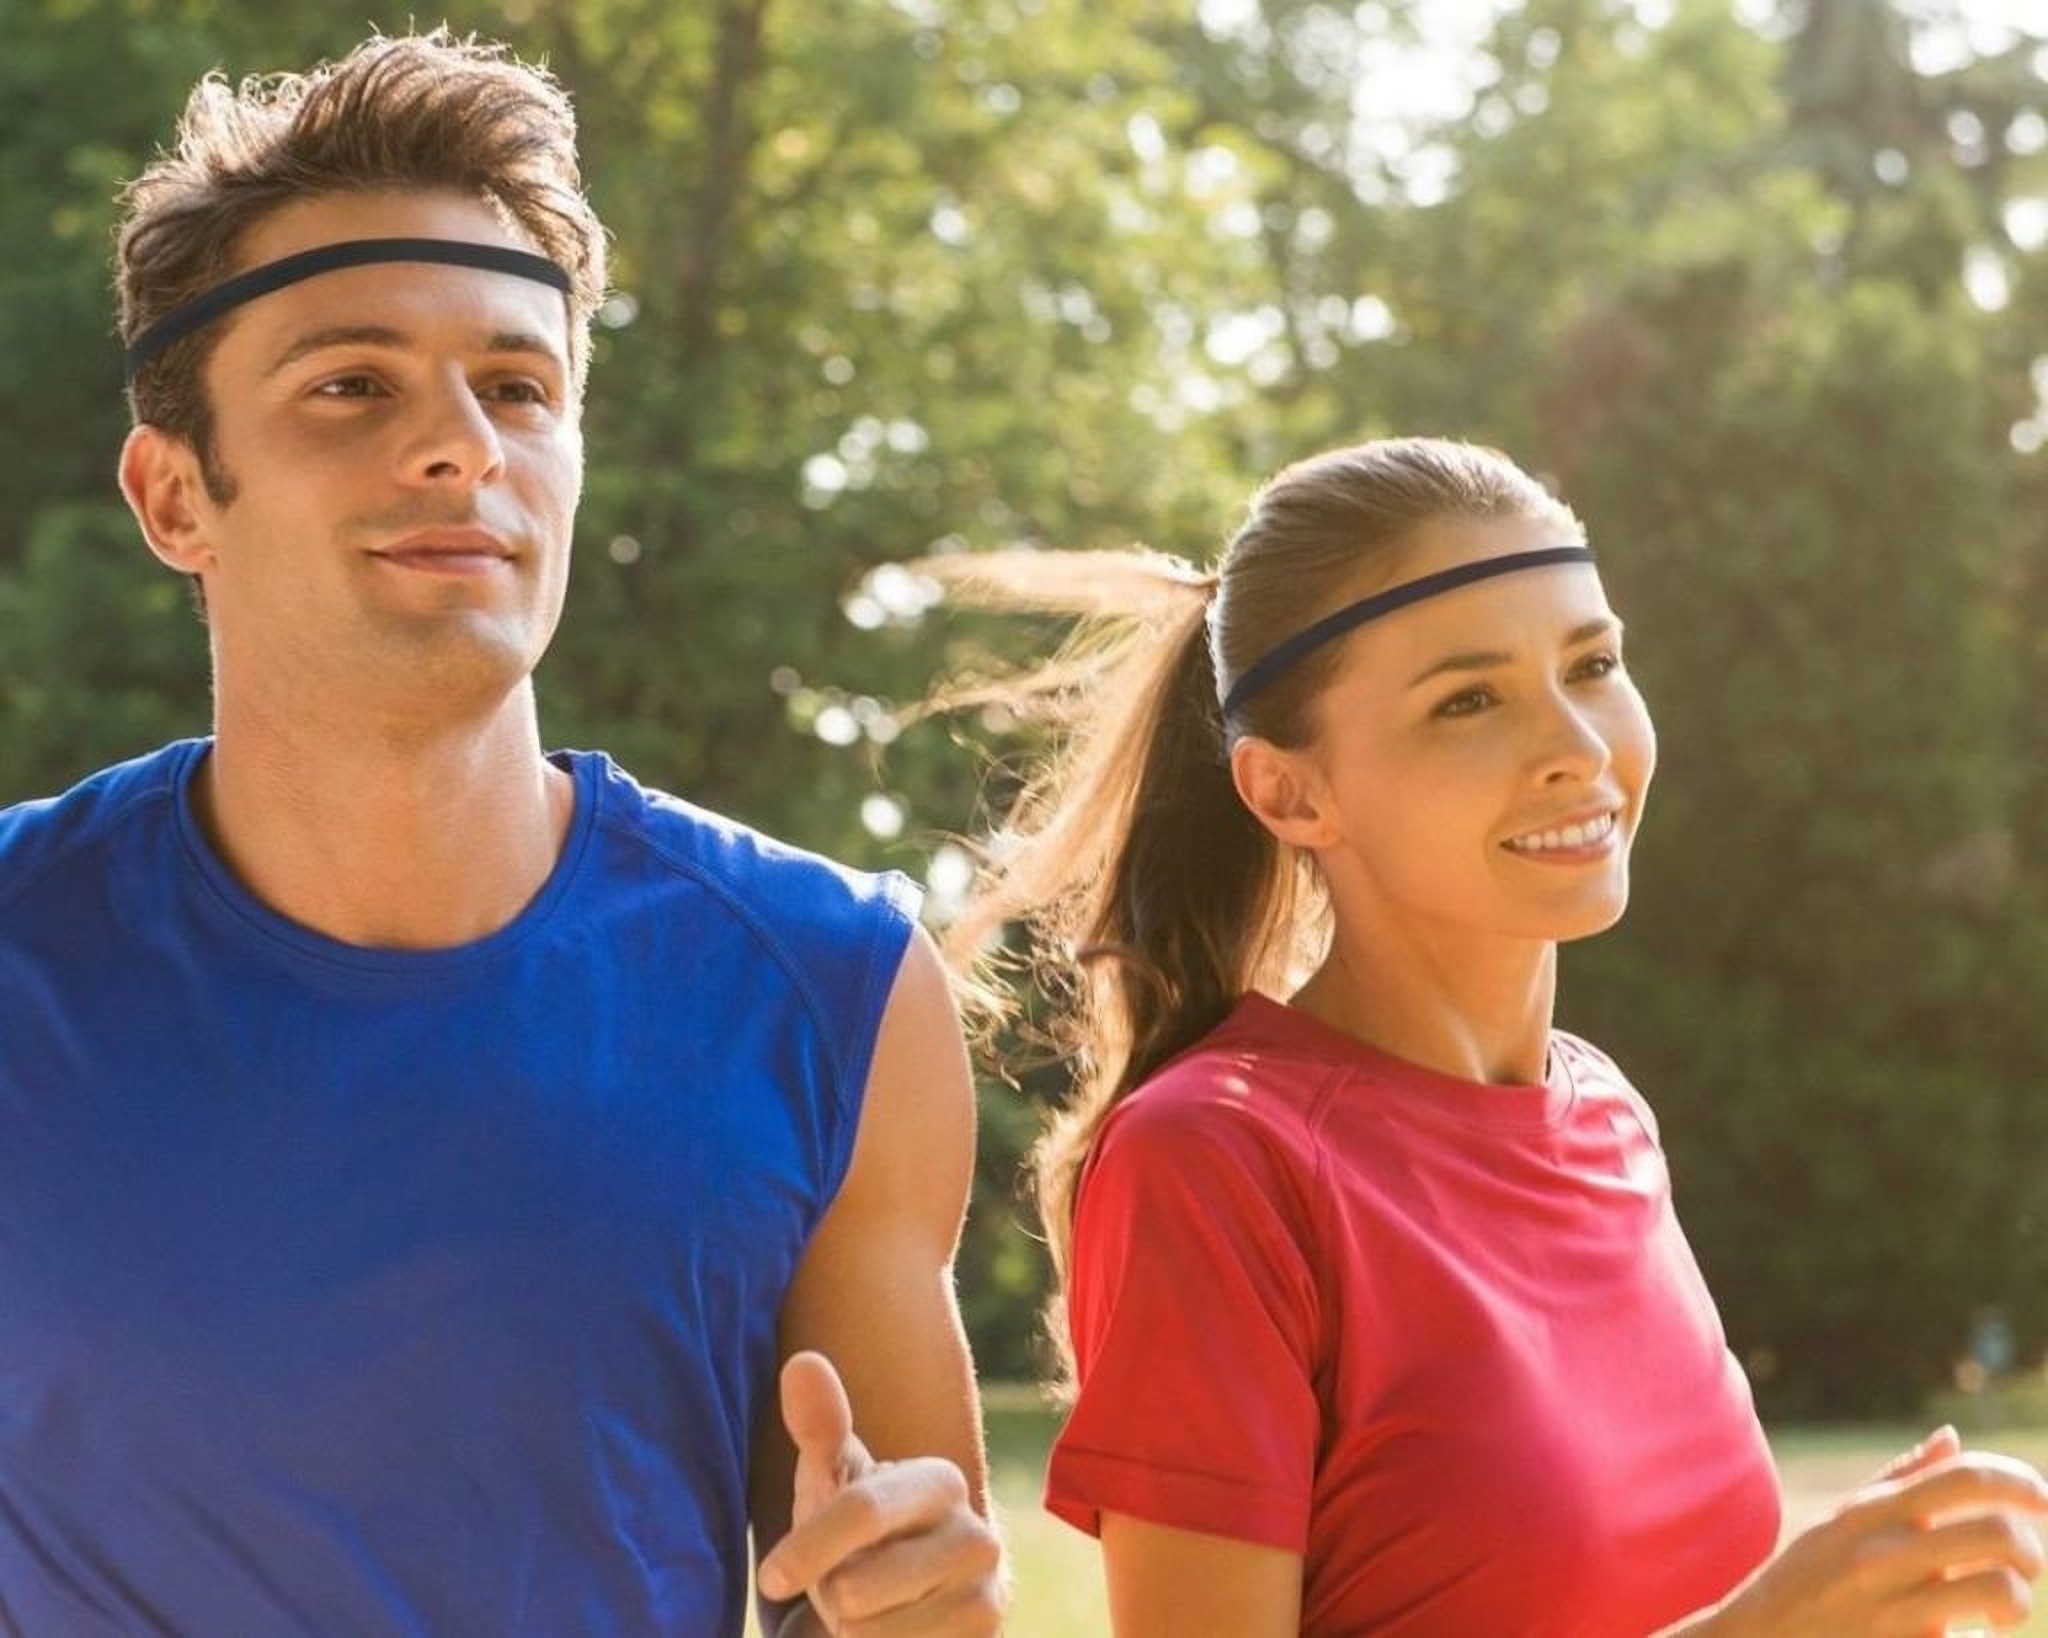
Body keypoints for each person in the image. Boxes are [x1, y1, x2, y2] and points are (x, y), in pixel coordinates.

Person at [0, 31, 1002, 1638]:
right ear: (177, 494)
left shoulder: (835, 989)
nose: (463, 441)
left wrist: (916, 1609)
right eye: (352, 384)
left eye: (518, 385)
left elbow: (888, 1597)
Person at [931, 436, 2048, 1636]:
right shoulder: (1212, 1161)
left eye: (1593, 662)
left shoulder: (1606, 1115)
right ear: (1289, 793)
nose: (1574, 743)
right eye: (1467, 700)